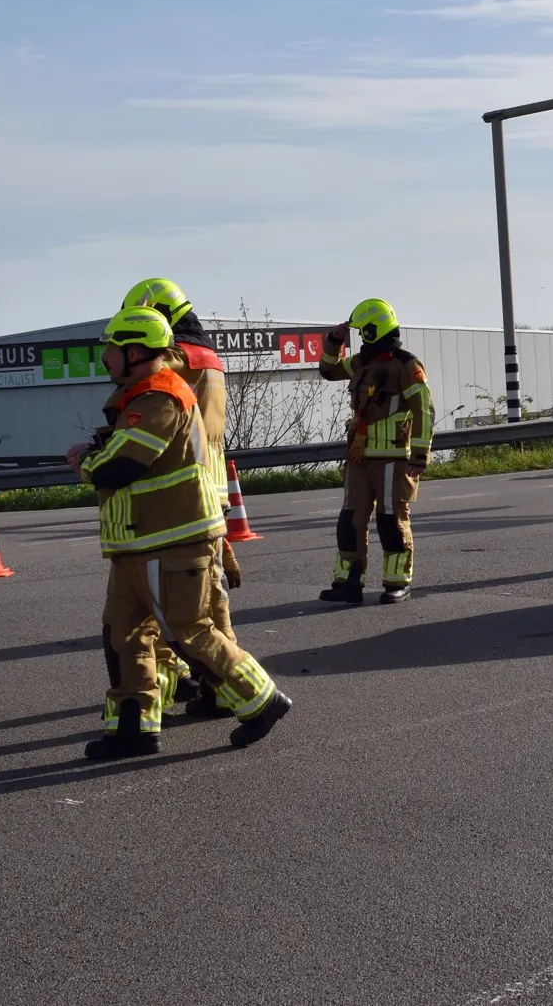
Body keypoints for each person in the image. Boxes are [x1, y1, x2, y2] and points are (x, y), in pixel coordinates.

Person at [74, 305, 290, 758]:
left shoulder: (160, 397)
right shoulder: (139, 398)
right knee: (123, 635)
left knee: (188, 631)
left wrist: (85, 463)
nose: (105, 358)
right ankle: (133, 727)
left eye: (111, 349)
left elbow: (125, 466)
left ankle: (261, 699)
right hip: (137, 543)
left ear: (135, 352)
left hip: (170, 541)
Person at [118, 278, 241, 718]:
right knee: (208, 598)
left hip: (176, 492)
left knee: (165, 602)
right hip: (208, 488)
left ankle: (202, 684)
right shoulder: (209, 355)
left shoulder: (174, 357)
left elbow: (140, 393)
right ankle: (213, 688)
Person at [317, 298, 433, 605]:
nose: (358, 337)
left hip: (394, 460)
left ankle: (397, 583)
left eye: (361, 331)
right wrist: (333, 341)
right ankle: (348, 582)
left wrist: (419, 457)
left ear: (373, 331)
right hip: (359, 458)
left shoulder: (406, 365)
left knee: (390, 521)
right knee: (350, 519)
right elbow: (327, 370)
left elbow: (423, 411)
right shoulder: (359, 362)